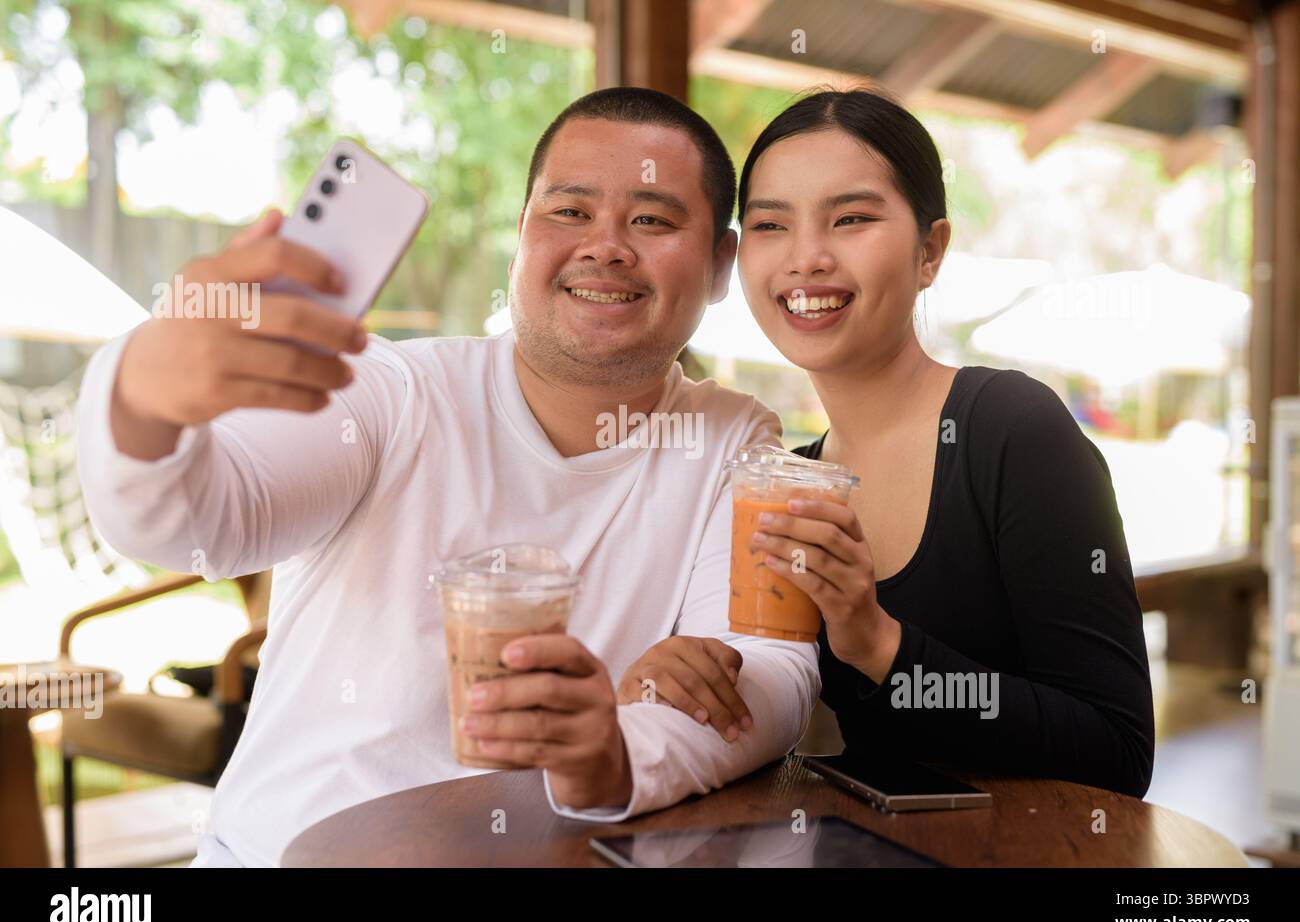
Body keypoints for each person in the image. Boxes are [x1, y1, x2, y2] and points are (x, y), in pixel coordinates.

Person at [76, 87, 819, 867]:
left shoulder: (732, 437)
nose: (606, 247)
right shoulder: (390, 388)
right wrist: (144, 398)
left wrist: (610, 751)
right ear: (521, 240)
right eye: (569, 212)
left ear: (720, 264)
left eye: (652, 219)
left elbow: (770, 670)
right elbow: (200, 527)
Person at [619, 88, 1155, 798]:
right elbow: (770, 715)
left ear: (929, 251)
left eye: (852, 219)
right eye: (773, 225)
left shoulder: (1011, 430)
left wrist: (878, 643)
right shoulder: (792, 479)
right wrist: (666, 684)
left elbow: (1117, 751)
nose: (807, 258)